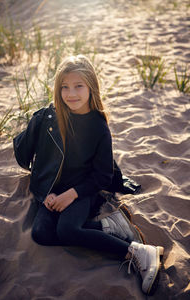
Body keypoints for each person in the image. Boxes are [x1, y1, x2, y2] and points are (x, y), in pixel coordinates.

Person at [13, 54, 164, 295]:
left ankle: (137, 251)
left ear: (91, 87)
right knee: (41, 234)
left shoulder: (98, 126)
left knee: (67, 231)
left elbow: (102, 176)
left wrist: (71, 195)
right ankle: (108, 226)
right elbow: (35, 162)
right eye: (64, 87)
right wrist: (48, 193)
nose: (71, 93)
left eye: (78, 86)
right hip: (54, 189)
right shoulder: (50, 118)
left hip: (84, 189)